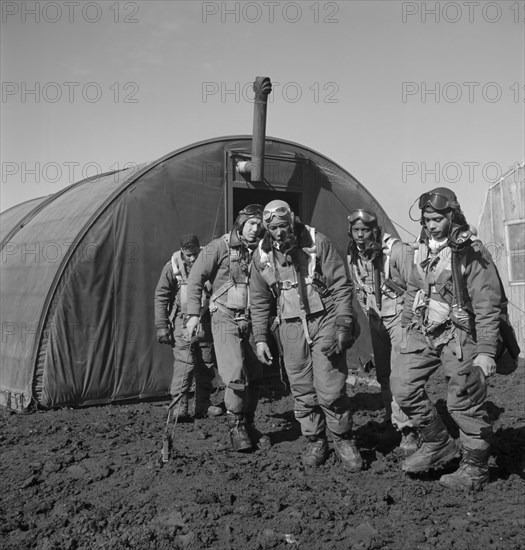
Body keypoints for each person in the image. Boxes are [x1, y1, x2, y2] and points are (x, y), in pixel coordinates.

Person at [391, 187, 503, 490]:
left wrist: (486, 352)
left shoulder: (471, 251)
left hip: (460, 335)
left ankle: (475, 469)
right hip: (424, 331)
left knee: (462, 403)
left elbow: (487, 304)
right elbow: (415, 286)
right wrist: (406, 326)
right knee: (402, 386)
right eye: (427, 219)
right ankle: (438, 442)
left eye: (437, 218)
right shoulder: (424, 247)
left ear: (452, 215)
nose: (431, 224)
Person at [250, 200, 362, 471]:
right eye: (273, 228)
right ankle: (315, 439)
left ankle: (343, 438)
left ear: (292, 222)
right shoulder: (262, 256)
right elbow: (259, 299)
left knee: (329, 385)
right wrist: (261, 337)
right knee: (301, 385)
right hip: (289, 326)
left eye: (283, 226)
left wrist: (344, 322)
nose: (278, 232)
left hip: (324, 319)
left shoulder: (315, 242)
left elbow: (340, 284)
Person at [185, 205, 266, 452]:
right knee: (235, 371)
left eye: (260, 224)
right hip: (223, 317)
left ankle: (249, 423)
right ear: (240, 223)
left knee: (255, 373)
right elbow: (195, 279)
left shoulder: (263, 250)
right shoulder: (217, 247)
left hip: (252, 319)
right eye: (252, 223)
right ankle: (236, 426)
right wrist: (191, 316)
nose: (256, 229)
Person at [346, 209, 418, 455]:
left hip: (399, 318)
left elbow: (416, 288)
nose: (359, 236)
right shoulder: (352, 254)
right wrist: (369, 315)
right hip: (376, 318)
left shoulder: (396, 251)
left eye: (364, 230)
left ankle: (410, 430)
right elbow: (358, 287)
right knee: (384, 375)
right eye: (355, 231)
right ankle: (394, 422)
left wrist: (408, 320)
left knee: (401, 376)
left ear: (375, 231)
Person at [154, 234, 223, 420]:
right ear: (182, 253)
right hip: (181, 321)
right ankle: (178, 407)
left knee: (206, 363)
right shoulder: (172, 268)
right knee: (185, 363)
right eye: (188, 255)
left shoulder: (210, 263)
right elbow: (161, 296)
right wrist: (162, 326)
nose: (192, 258)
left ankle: (203, 404)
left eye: (195, 254)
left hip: (205, 319)